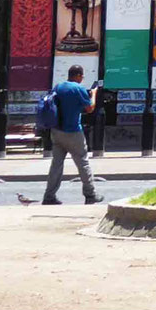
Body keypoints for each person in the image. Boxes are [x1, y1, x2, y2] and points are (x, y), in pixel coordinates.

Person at [43, 66, 102, 206]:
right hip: (74, 132)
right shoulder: (78, 88)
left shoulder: (59, 87)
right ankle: (90, 194)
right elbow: (90, 108)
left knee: (56, 165)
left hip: (57, 132)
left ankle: (49, 196)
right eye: (82, 76)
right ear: (78, 75)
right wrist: (93, 94)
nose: (82, 79)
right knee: (83, 162)